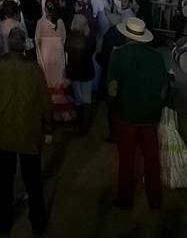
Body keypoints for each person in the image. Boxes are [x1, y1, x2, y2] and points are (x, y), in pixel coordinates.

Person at [0, 27, 51, 235]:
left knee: (5, 178)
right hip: (29, 131)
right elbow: (45, 100)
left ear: (8, 43)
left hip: (4, 130)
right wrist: (48, 125)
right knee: (33, 179)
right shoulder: (33, 68)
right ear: (23, 45)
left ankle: (2, 221)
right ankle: (38, 222)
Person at [107, 17, 168, 210]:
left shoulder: (118, 55)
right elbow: (163, 89)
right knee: (152, 159)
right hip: (150, 115)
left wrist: (114, 108)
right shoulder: (156, 56)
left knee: (127, 159)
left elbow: (112, 89)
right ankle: (155, 200)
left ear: (127, 35)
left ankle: (125, 199)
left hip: (126, 115)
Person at [35, 0, 74, 122]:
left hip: (45, 56)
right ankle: (62, 113)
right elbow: (64, 39)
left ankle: (48, 112)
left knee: (47, 80)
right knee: (58, 80)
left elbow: (37, 40)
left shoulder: (40, 23)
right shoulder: (60, 22)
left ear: (45, 9)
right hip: (58, 55)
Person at [65, 13, 96, 134]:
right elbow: (92, 50)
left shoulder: (69, 38)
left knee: (78, 99)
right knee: (87, 100)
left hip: (73, 73)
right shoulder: (87, 39)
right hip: (86, 72)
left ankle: (79, 123)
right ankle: (85, 127)